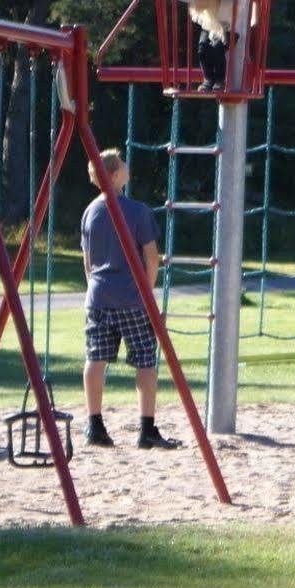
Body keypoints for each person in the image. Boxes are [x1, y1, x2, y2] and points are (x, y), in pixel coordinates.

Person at [79, 149, 179, 450]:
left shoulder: (90, 211)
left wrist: (94, 288)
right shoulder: (137, 211)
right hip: (133, 298)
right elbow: (151, 257)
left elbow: (88, 261)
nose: (127, 166)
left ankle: (94, 425)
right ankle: (146, 429)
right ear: (113, 175)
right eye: (122, 164)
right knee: (145, 361)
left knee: (95, 358)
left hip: (97, 296)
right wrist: (147, 294)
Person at [161, 0, 237, 91]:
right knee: (202, 50)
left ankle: (220, 81)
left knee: (217, 50)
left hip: (227, 29)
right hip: (209, 27)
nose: (197, 3)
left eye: (201, 1)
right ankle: (208, 80)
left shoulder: (226, 1)